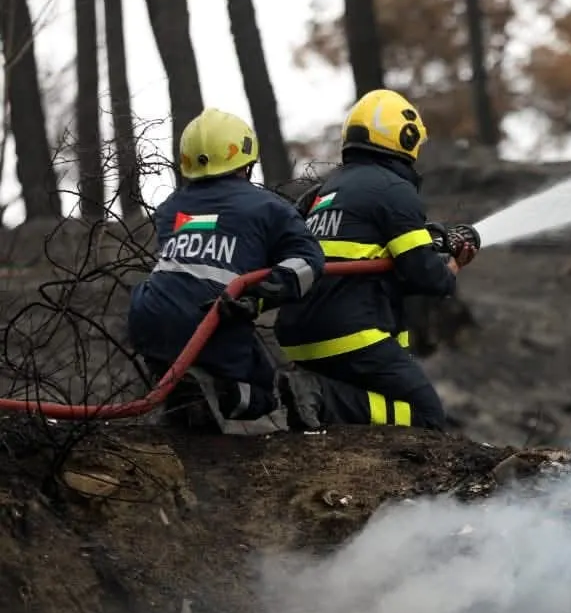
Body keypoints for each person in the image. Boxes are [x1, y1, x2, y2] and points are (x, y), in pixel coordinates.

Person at [273, 88, 477, 431]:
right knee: (426, 417)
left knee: (373, 406)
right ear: (405, 138)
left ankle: (316, 397)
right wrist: (453, 266)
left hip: (299, 338)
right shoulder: (393, 189)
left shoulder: (323, 193)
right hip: (349, 335)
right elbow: (426, 276)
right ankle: (321, 396)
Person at [128, 108, 325, 425]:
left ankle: (185, 394)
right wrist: (261, 295)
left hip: (149, 319)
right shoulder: (268, 207)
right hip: (212, 318)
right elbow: (309, 261)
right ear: (246, 160)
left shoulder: (169, 209)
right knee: (265, 389)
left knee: (178, 366)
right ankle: (221, 393)